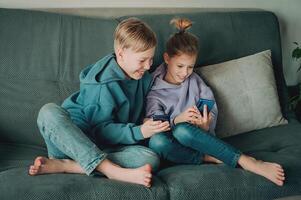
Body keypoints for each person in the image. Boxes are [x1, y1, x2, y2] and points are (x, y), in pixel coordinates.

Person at [28, 17, 171, 188]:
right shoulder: (103, 85)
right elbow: (100, 131)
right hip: (72, 143)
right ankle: (112, 170)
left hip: (104, 148)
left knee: (150, 159)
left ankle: (68, 166)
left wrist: (146, 122)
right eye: (142, 60)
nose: (148, 66)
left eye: (150, 59)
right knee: (48, 111)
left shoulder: (142, 76)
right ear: (120, 54)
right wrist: (139, 131)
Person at [145, 18, 285, 186]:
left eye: (190, 67)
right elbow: (154, 126)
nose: (185, 73)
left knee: (184, 131)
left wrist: (204, 126)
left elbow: (209, 109)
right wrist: (177, 119)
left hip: (198, 138)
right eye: (180, 66)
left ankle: (247, 161)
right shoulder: (154, 88)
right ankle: (208, 157)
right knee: (157, 142)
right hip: (175, 148)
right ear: (167, 58)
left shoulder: (195, 81)